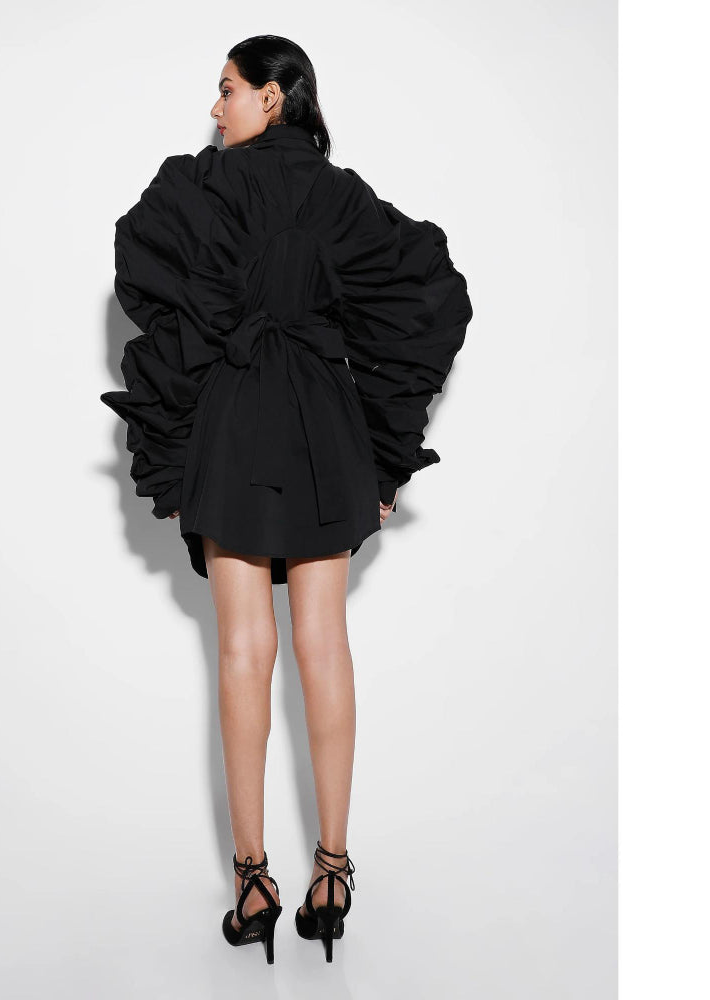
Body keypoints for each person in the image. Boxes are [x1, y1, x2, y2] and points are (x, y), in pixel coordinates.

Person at [100, 34, 473, 964]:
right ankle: (334, 872)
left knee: (241, 650)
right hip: (322, 430)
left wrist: (172, 455)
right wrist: (381, 457)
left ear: (273, 96)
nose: (215, 107)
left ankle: (252, 881)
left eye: (228, 89)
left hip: (234, 426)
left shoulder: (201, 190)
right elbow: (424, 293)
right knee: (324, 645)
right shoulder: (337, 195)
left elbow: (155, 292)